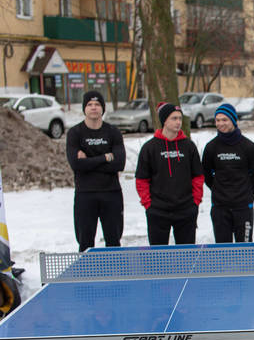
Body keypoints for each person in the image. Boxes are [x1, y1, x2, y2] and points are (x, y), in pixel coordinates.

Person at [135, 102, 204, 245]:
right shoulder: (150, 147)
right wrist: (148, 204)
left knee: (186, 256)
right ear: (164, 120)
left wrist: (195, 201)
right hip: (158, 210)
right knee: (158, 258)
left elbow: (198, 176)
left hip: (186, 209)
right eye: (174, 118)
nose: (178, 122)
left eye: (180, 118)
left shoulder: (189, 146)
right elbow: (141, 180)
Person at [66, 90, 126, 252]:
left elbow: (119, 163)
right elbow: (76, 165)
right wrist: (105, 158)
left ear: (103, 108)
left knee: (113, 241)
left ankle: (114, 275)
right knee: (85, 242)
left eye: (97, 104)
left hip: (111, 193)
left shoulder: (113, 132)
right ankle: (87, 276)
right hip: (85, 194)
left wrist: (88, 161)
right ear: (84, 108)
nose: (94, 108)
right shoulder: (75, 133)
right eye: (90, 104)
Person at [202, 103, 254, 242]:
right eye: (217, 120)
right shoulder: (211, 147)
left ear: (233, 121)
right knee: (223, 251)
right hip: (220, 208)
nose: (220, 123)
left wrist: (246, 192)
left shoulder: (248, 146)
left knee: (245, 250)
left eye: (224, 120)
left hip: (243, 207)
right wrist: (219, 190)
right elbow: (206, 174)